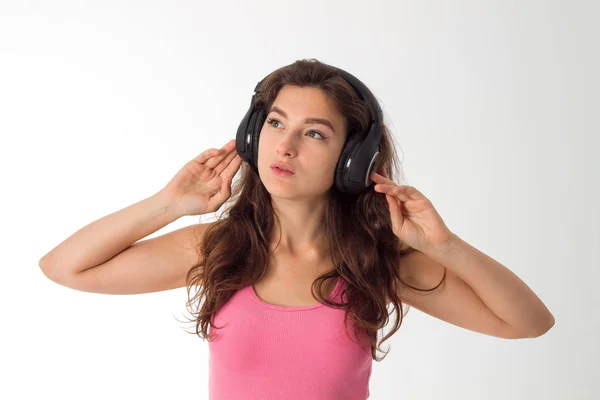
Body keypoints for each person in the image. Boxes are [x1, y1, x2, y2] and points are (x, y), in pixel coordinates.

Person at [39, 58, 554, 400]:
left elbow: (529, 322)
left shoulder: (376, 264)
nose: (285, 147)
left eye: (314, 133)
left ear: (351, 160)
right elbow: (64, 267)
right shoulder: (217, 249)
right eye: (276, 123)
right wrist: (168, 204)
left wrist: (445, 247)